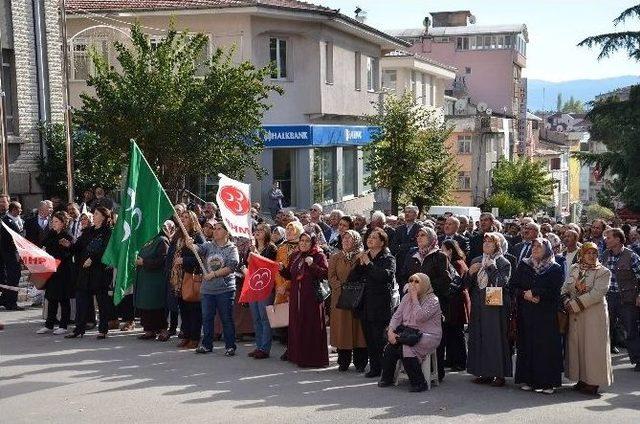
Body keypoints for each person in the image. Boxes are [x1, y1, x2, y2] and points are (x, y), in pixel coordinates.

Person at [512, 238, 564, 394]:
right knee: (527, 345)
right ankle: (528, 379)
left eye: (539, 246)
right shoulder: (524, 264)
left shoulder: (554, 268)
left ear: (547, 249)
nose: (535, 249)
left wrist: (536, 293)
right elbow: (513, 285)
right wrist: (524, 294)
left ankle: (548, 383)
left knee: (545, 348)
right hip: (526, 312)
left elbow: (555, 290)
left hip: (545, 313)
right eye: (533, 246)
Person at [562, 243, 614, 395]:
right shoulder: (575, 268)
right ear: (582, 254)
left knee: (593, 348)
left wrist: (575, 304)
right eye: (588, 253)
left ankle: (594, 381)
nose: (592, 256)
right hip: (575, 315)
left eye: (595, 253)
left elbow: (597, 293)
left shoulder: (604, 272)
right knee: (578, 346)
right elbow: (565, 288)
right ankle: (582, 379)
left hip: (594, 315)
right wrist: (566, 302)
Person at [401, 226, 452, 381]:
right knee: (413, 332)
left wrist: (423, 289)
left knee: (432, 334)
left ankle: (437, 372)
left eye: (423, 235)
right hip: (413, 301)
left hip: (434, 301)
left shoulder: (439, 256)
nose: (419, 237)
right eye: (418, 235)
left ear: (431, 238)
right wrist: (407, 286)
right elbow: (403, 274)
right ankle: (414, 370)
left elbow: (445, 280)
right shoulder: (412, 254)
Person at [378, 273, 442, 392]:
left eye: (417, 282)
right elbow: (397, 316)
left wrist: (414, 299)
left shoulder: (433, 300)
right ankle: (387, 378)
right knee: (390, 347)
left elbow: (420, 317)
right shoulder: (406, 297)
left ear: (424, 284)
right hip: (409, 333)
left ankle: (419, 383)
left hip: (428, 335)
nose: (412, 284)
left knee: (407, 348)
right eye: (411, 281)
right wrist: (391, 331)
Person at [465, 232, 513, 387]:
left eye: (490, 242)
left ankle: (498, 374)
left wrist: (491, 267)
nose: (486, 244)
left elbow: (501, 282)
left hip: (495, 305)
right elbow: (465, 284)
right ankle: (483, 372)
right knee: (479, 336)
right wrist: (470, 272)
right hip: (478, 303)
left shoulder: (503, 262)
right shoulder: (476, 260)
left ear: (497, 245)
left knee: (495, 338)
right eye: (485, 241)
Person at [347, 228, 396, 378]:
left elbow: (384, 277)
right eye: (369, 237)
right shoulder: (364, 256)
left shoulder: (388, 258)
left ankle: (384, 369)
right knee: (369, 338)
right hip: (364, 304)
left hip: (379, 304)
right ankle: (375, 368)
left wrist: (369, 264)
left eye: (374, 237)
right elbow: (351, 278)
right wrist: (361, 264)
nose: (370, 239)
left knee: (379, 338)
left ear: (382, 242)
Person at [279, 232, 330, 368]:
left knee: (310, 326)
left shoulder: (319, 255)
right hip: (296, 297)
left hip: (312, 298)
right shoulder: (295, 256)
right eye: (302, 240)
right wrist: (282, 270)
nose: (303, 243)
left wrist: (312, 265)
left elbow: (325, 274)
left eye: (307, 241)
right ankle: (297, 356)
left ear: (312, 242)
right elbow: (291, 275)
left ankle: (312, 359)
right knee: (297, 325)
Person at [189, 221, 239, 356]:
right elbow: (198, 249)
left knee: (226, 318)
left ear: (226, 232)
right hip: (207, 290)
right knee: (207, 318)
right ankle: (206, 345)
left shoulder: (231, 249)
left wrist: (214, 274)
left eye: (218, 229)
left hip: (225, 289)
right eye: (214, 229)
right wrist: (191, 244)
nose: (215, 231)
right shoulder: (208, 245)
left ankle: (230, 346)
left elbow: (231, 267)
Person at [66, 207, 113, 339]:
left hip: (99, 272)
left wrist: (93, 259)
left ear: (103, 217)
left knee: (102, 301)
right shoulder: (88, 232)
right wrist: (68, 245)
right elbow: (78, 247)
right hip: (85, 272)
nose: (94, 215)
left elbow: (106, 250)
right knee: (81, 300)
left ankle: (103, 329)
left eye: (97, 214)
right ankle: (79, 329)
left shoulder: (108, 232)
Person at [328, 230, 367, 372]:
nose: (346, 241)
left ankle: (360, 361)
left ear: (356, 241)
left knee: (359, 330)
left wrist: (353, 289)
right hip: (340, 297)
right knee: (342, 329)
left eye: (350, 239)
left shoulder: (362, 256)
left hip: (357, 297)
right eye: (344, 238)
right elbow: (331, 276)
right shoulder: (335, 257)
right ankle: (343, 360)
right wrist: (341, 288)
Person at [601, 228, 640, 367]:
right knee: (605, 329)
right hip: (608, 297)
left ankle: (638, 360)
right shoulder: (605, 255)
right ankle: (602, 360)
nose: (606, 240)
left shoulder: (631, 256)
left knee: (630, 329)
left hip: (627, 299)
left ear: (618, 240)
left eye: (609, 237)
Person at [170, 210, 205, 349]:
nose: (183, 219)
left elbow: (201, 258)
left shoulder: (198, 237)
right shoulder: (178, 234)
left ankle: (195, 337)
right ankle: (186, 335)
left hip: (191, 276)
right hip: (178, 278)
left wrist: (184, 260)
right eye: (182, 217)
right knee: (183, 309)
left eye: (186, 217)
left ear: (192, 220)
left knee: (193, 309)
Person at [36, 211, 74, 335]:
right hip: (52, 270)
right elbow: (43, 244)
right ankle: (49, 324)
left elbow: (66, 253)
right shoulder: (51, 234)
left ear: (63, 223)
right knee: (51, 298)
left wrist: (52, 249)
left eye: (56, 222)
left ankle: (63, 325)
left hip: (63, 271)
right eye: (53, 221)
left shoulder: (67, 235)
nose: (53, 224)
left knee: (63, 299)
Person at [134, 222, 171, 341]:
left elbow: (163, 260)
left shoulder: (162, 240)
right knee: (145, 304)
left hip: (156, 279)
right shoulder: (147, 240)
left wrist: (144, 262)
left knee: (156, 304)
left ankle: (163, 329)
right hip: (144, 277)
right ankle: (149, 329)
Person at [247, 223, 278, 359]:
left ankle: (265, 348)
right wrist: (250, 255)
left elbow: (269, 266)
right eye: (256, 230)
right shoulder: (252, 247)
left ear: (267, 233)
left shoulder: (271, 248)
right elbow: (248, 264)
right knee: (256, 318)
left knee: (264, 318)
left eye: (261, 230)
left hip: (265, 287)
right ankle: (259, 346)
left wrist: (256, 253)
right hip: (254, 286)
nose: (258, 232)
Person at [441, 239, 471, 371]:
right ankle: (452, 359)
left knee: (457, 333)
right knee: (449, 331)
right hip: (452, 301)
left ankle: (460, 360)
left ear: (450, 250)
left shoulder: (457, 264)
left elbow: (457, 283)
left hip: (456, 302)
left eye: (443, 249)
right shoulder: (455, 262)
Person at [0, 202, 24, 311]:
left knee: (15, 276)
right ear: (13, 209)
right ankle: (11, 302)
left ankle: (7, 300)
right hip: (9, 254)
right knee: (13, 277)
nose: (21, 210)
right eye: (19, 208)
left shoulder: (18, 220)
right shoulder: (5, 221)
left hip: (16, 253)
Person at [391, 205, 420, 276]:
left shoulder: (420, 229)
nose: (407, 214)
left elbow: (416, 245)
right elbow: (394, 245)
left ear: (416, 214)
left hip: (413, 262)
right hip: (400, 263)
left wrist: (401, 246)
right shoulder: (399, 229)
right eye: (406, 212)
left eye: (409, 212)